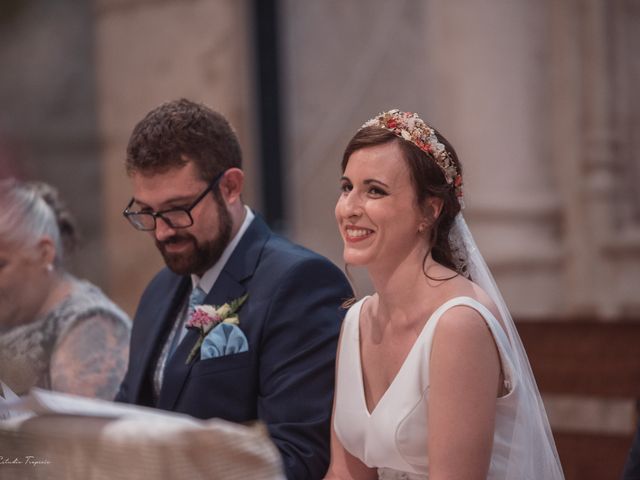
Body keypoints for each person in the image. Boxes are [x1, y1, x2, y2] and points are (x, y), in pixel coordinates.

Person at [115, 99, 352, 479]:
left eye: (177, 209)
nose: (161, 231)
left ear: (230, 186)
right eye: (146, 211)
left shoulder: (300, 282)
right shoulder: (160, 288)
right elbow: (131, 412)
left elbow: (299, 456)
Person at [325, 109, 565, 480]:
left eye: (375, 191)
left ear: (429, 211)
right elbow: (344, 473)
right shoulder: (356, 321)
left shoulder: (458, 325)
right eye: (346, 187)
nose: (350, 208)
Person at [0, 179, 131, 400]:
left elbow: (83, 430)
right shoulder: (12, 318)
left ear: (44, 253)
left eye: (1, 264)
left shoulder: (92, 323)